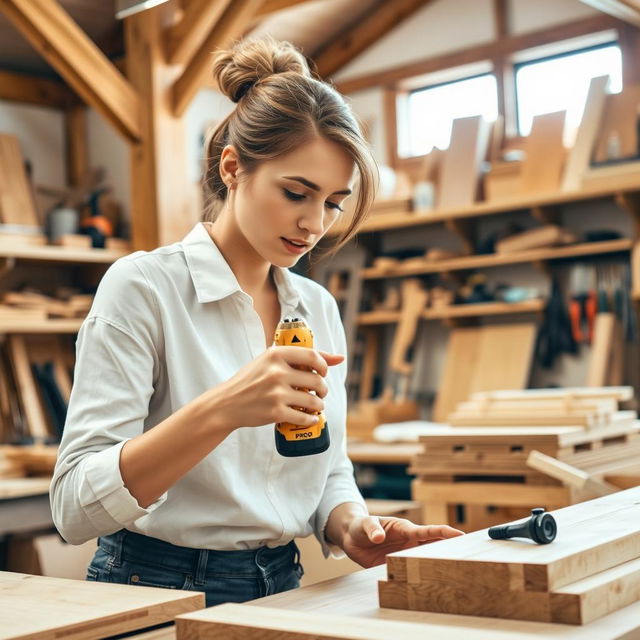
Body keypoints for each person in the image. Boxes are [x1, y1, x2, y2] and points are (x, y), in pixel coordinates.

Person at [50, 36, 463, 608]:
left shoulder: (316, 308)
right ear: (233, 168)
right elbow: (73, 507)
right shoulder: (143, 287)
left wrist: (351, 525)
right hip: (152, 587)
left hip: (280, 586)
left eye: (334, 202)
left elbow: (323, 461)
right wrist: (223, 408)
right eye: (297, 192)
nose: (315, 223)